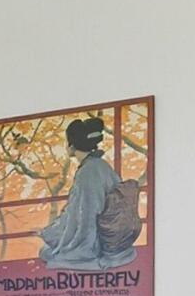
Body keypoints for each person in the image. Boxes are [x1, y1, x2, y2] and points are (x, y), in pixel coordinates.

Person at [37, 115, 140, 271]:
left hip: (101, 233)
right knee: (49, 247)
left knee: (47, 252)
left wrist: (56, 233)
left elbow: (87, 214)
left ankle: (87, 252)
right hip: (114, 230)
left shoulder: (88, 172)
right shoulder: (100, 165)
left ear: (71, 146)